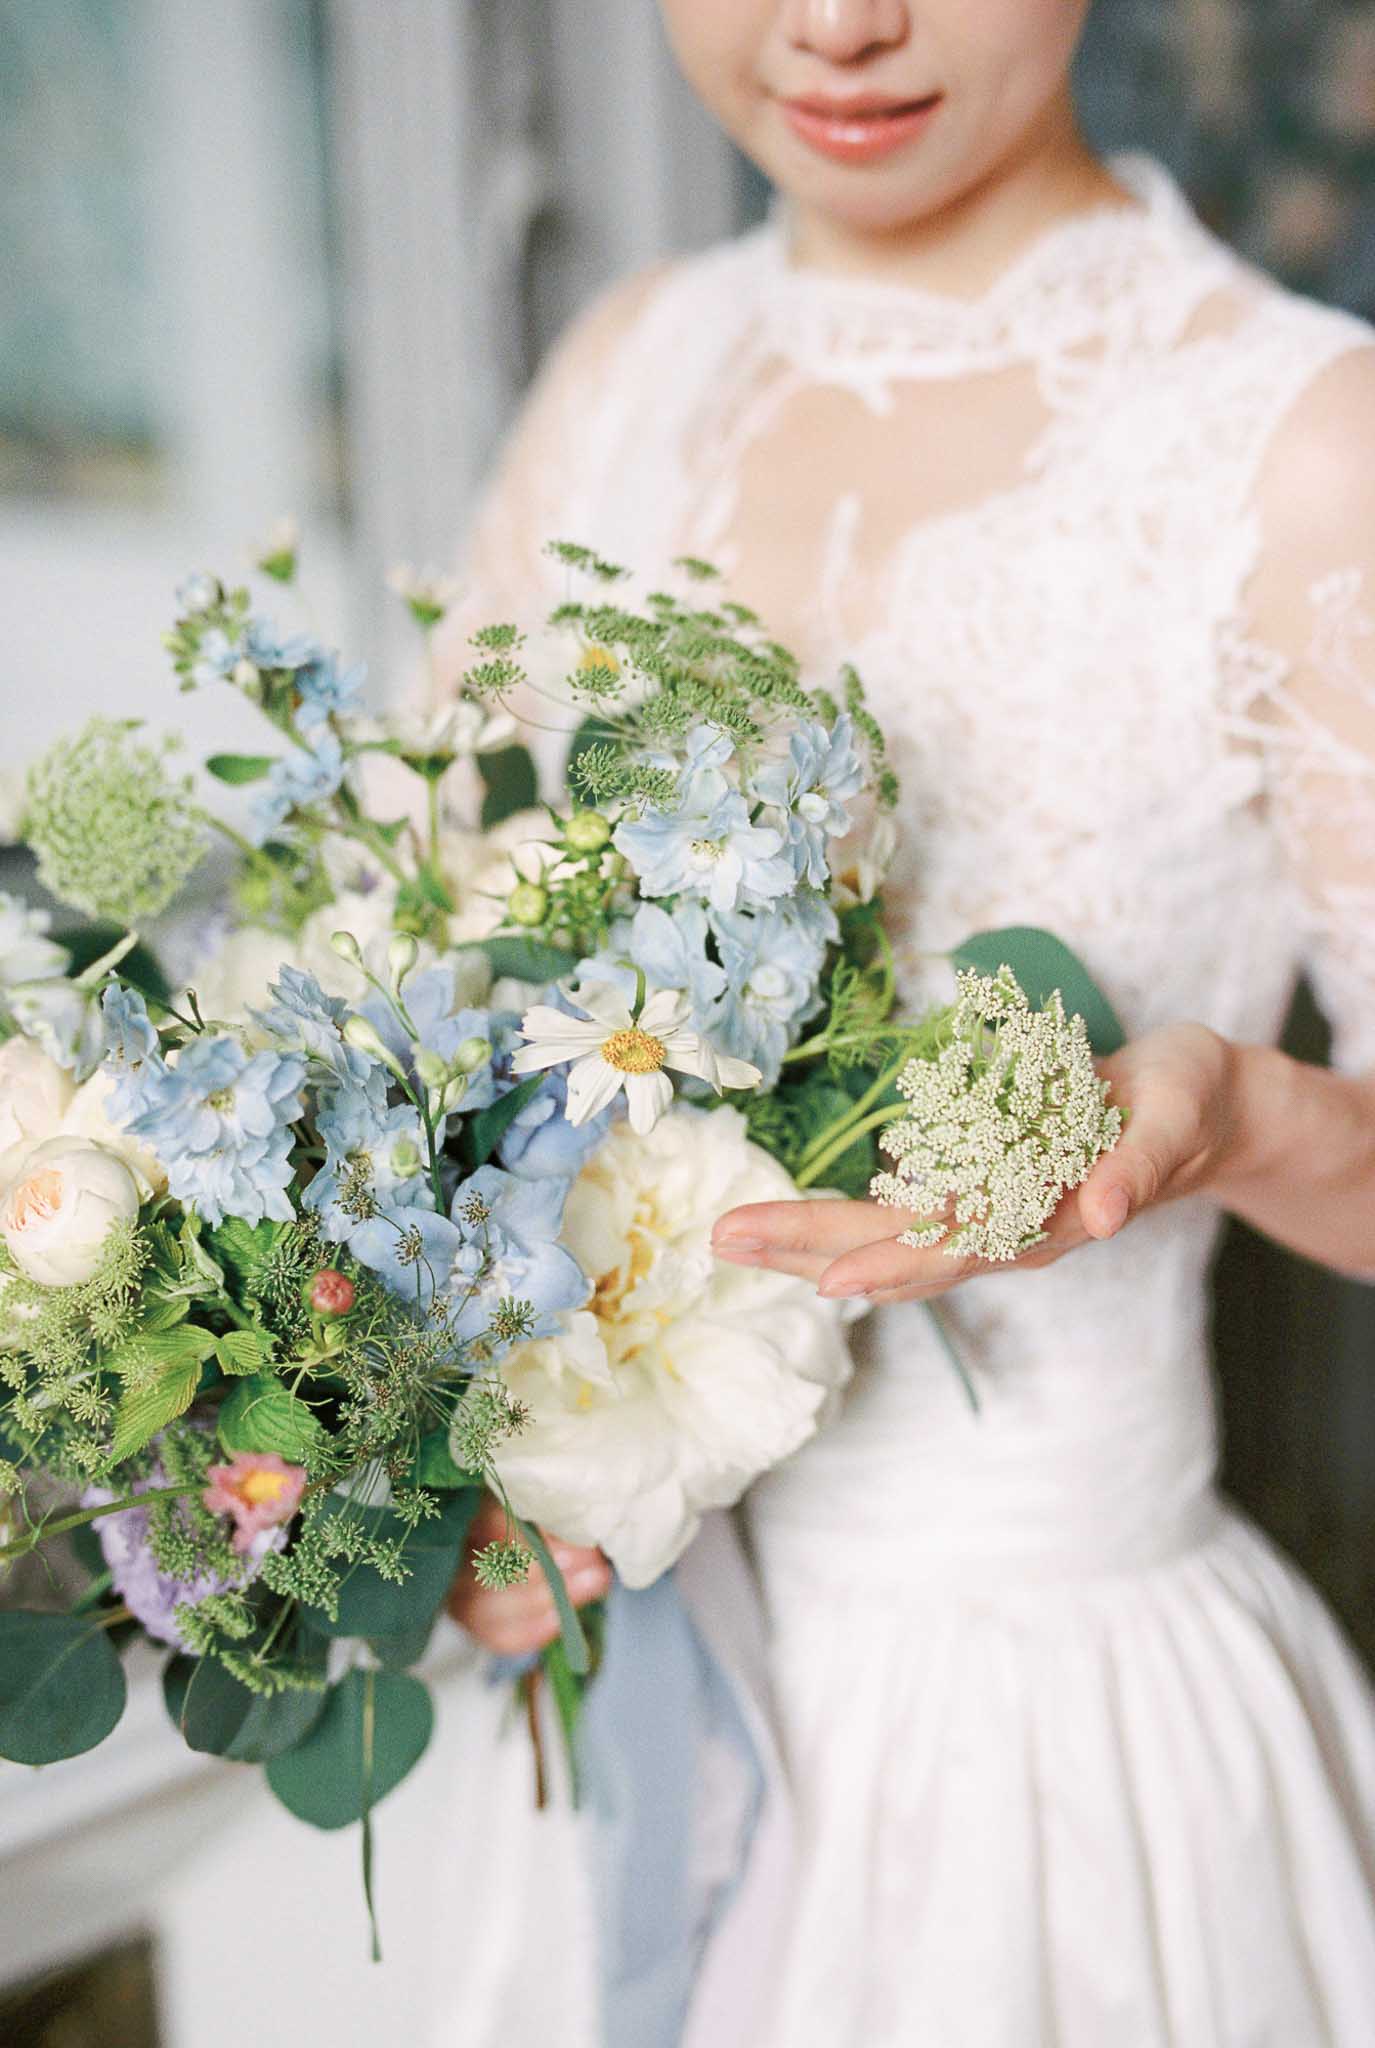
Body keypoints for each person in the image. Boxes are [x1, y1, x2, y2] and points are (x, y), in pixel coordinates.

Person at [439, 2, 1375, 2040]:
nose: (837, 20)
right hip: (630, 1705)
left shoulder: (1304, 439)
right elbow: (429, 979)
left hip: (1055, 1756)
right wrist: (460, 1481)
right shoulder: (626, 368)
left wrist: (1220, 1117)